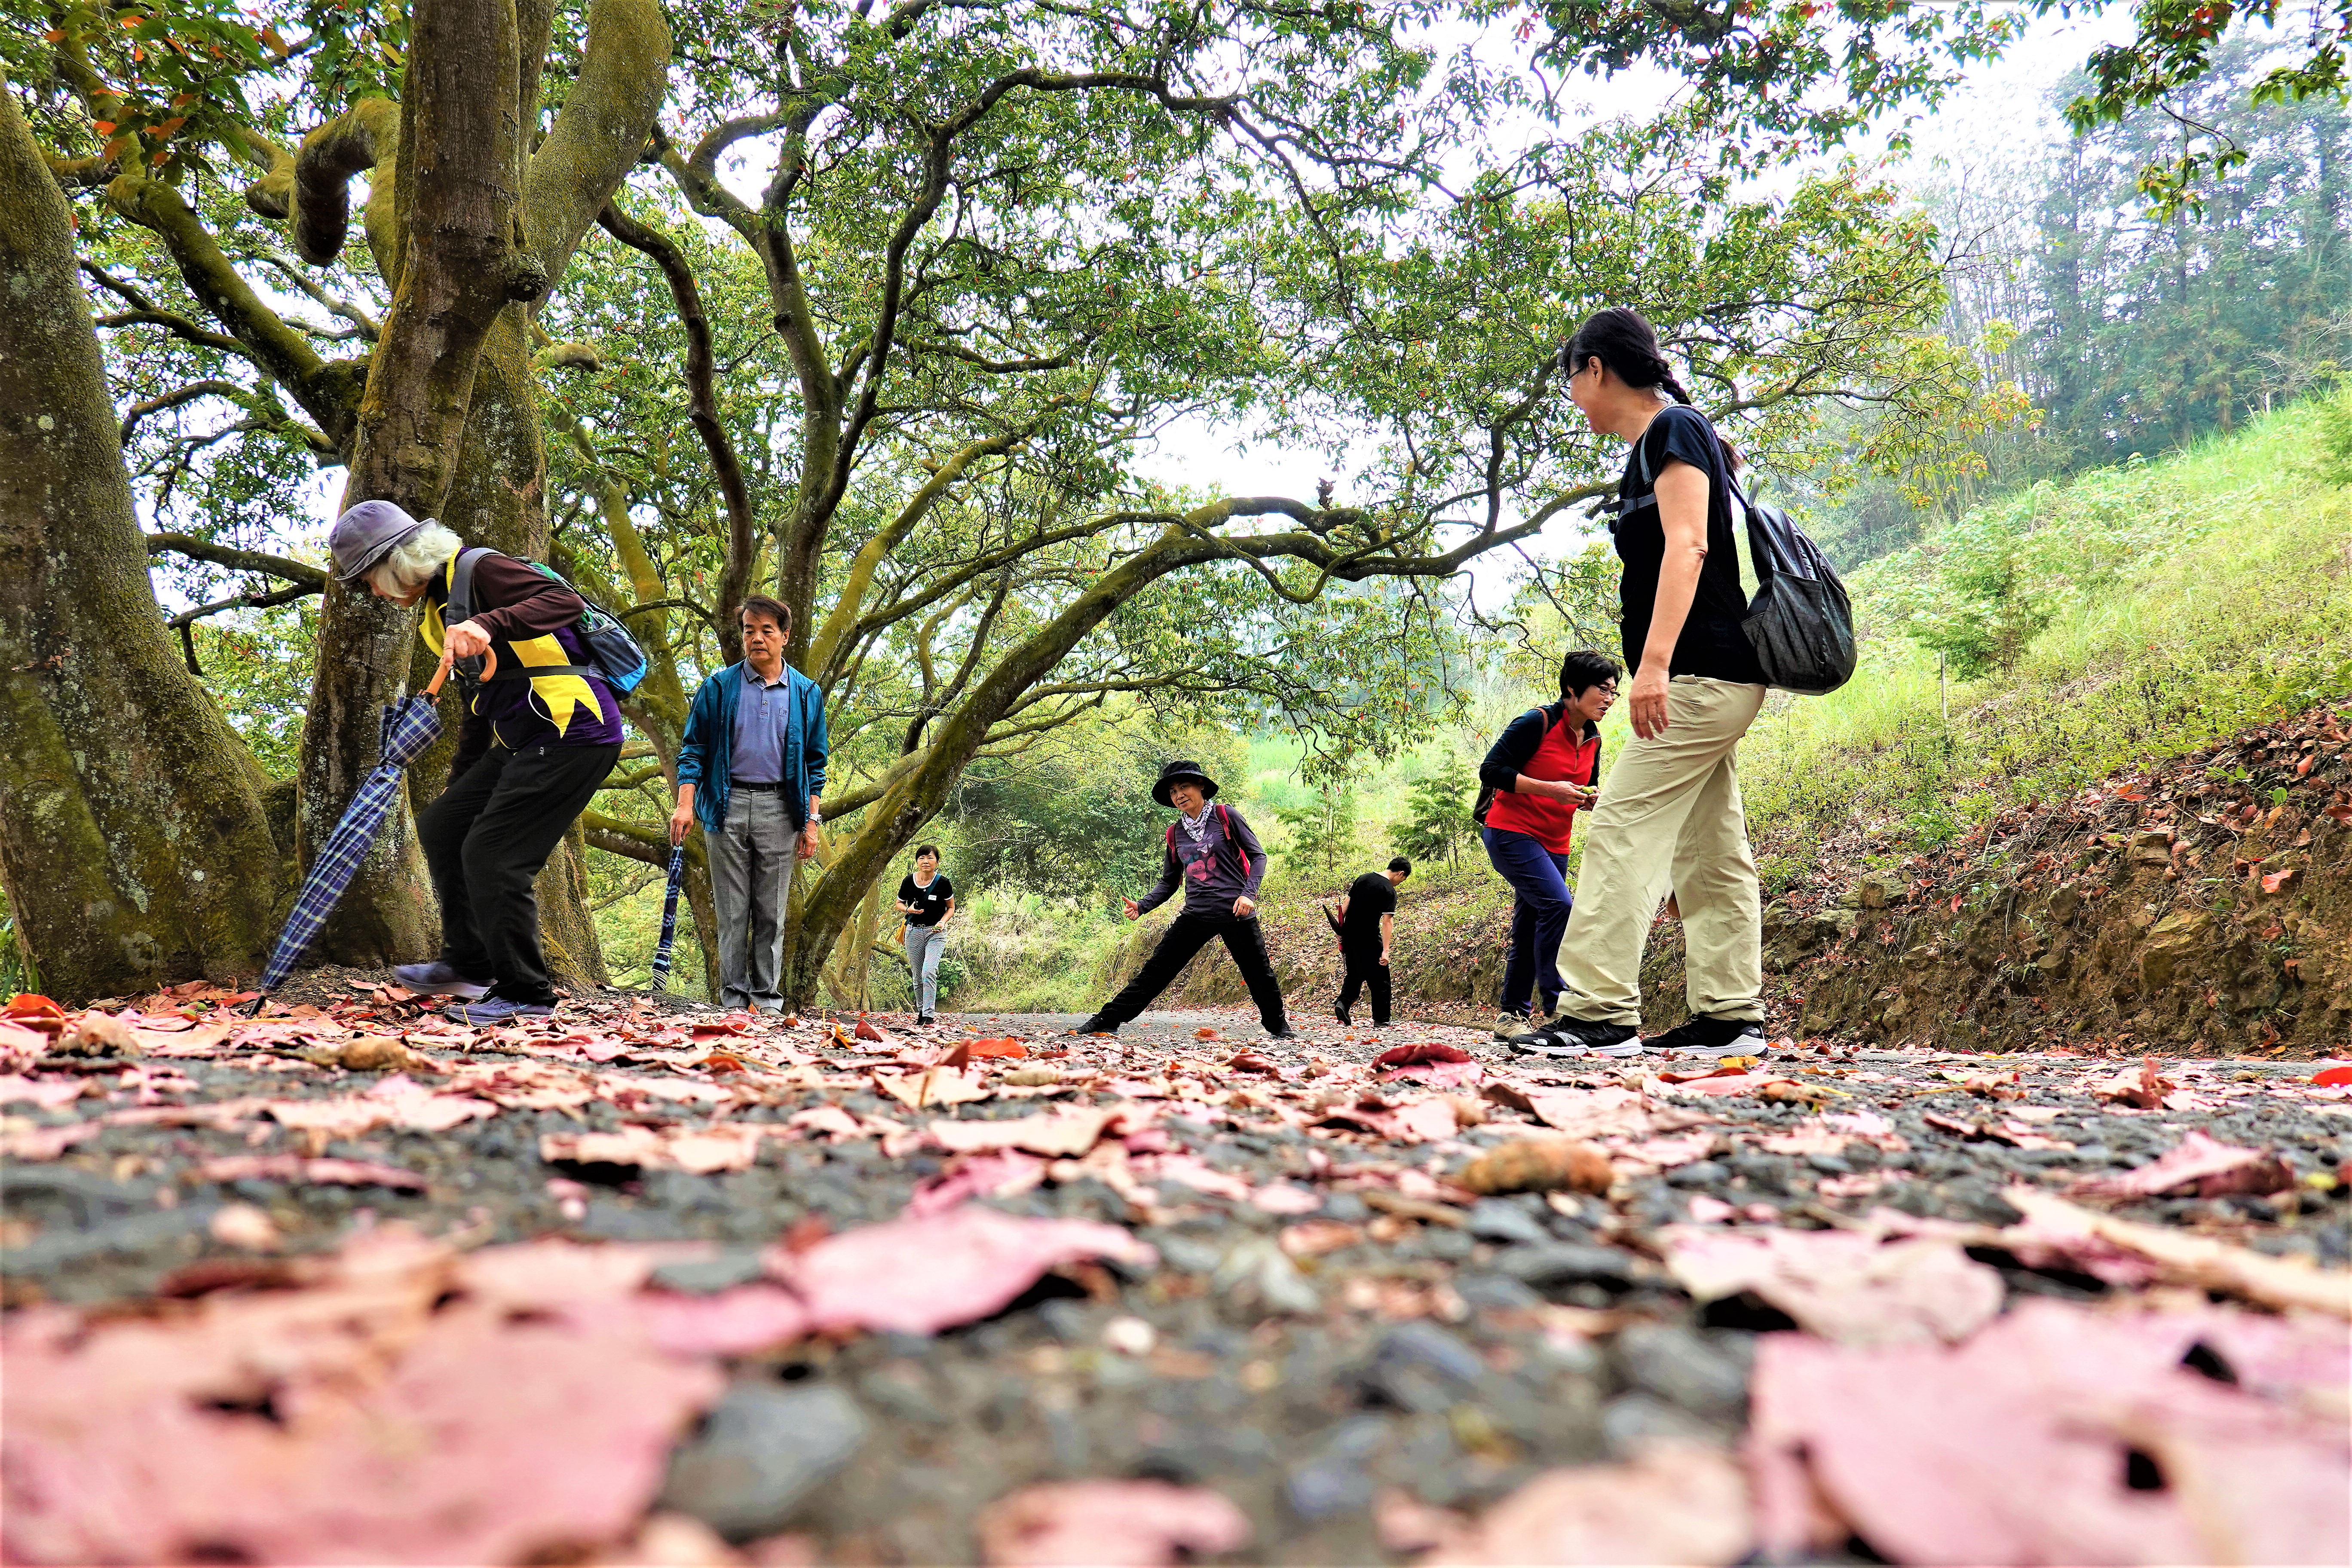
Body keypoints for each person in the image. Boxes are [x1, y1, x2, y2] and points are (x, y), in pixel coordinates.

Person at [1520, 306, 1772, 1060]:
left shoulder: (1674, 430)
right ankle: (1730, 1015)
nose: (1574, 400)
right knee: (1709, 847)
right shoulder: (1650, 448)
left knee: (1624, 829)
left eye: (1572, 381)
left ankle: (1598, 1012)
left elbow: (1690, 544)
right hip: (1709, 678)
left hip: (1702, 672)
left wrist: (1654, 665)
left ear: (1595, 367)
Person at [329, 500, 625, 1024]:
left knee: (494, 855)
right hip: (523, 739)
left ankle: (527, 994)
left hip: (574, 731)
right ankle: (469, 965)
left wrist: (490, 623)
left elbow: (563, 600)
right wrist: (460, 785)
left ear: (397, 562)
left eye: (370, 579)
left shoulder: (479, 569)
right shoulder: (438, 608)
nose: (373, 592)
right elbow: (479, 702)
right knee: (444, 828)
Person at [669, 595, 828, 1014]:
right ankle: (734, 1001)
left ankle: (768, 1001)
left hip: (782, 809)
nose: (756, 638)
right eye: (748, 630)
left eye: (766, 631)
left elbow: (816, 763)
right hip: (726, 805)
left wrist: (811, 822)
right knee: (733, 911)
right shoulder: (718, 688)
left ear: (785, 637)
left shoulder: (807, 694)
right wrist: (685, 806)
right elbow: (693, 750)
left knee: (771, 913)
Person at [1074, 760, 1292, 1039]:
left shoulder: (1226, 816)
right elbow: (1170, 881)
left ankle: (1279, 1029)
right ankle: (1107, 1020)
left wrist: (1249, 895)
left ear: (1201, 786)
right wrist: (1143, 906)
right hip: (1196, 915)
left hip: (1235, 911)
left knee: (1259, 974)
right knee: (1155, 972)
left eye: (1184, 787)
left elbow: (1258, 856)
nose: (1178, 795)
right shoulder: (1175, 833)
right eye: (1173, 791)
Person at [1479, 651, 1619, 1044]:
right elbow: (1491, 770)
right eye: (1602, 690)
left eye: (1614, 692)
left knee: (1530, 924)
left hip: (1555, 843)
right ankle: (1559, 1007)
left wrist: (1587, 800)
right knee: (1559, 907)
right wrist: (1549, 789)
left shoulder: (1593, 737)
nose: (1609, 699)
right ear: (1572, 690)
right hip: (1510, 832)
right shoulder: (1536, 722)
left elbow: (1579, 789)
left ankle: (1510, 1016)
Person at [1325, 856, 1410, 1026]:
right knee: (1381, 980)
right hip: (1369, 938)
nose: (1400, 884)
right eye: (1403, 880)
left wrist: (1341, 931)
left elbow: (1345, 907)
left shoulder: (1363, 878)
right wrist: (1386, 950)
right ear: (1401, 874)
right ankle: (1382, 1019)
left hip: (1350, 935)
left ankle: (1343, 1002)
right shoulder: (1388, 891)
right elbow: (1387, 921)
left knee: (1356, 974)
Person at [895, 844, 955, 1025]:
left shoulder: (943, 883)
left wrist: (942, 922)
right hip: (913, 932)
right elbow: (899, 904)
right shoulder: (908, 881)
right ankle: (922, 1011)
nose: (926, 861)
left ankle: (929, 1015)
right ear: (917, 862)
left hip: (935, 933)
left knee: (928, 971)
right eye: (922, 858)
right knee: (917, 974)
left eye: (930, 858)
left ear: (937, 862)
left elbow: (951, 908)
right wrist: (908, 910)